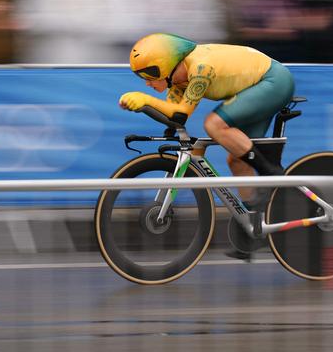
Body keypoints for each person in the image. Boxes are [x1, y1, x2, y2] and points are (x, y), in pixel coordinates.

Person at [119, 32, 295, 259]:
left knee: (213, 124)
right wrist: (149, 110)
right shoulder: (179, 82)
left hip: (273, 81)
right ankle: (255, 227)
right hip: (256, 86)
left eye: (149, 75)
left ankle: (272, 174)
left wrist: (145, 100)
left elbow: (181, 114)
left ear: (164, 67)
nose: (147, 83)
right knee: (236, 159)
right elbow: (173, 120)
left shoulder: (201, 67)